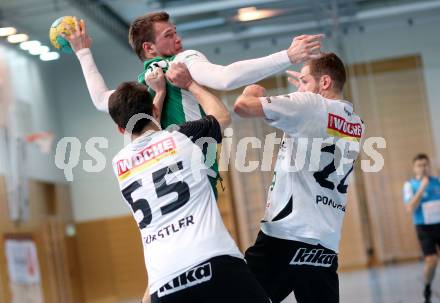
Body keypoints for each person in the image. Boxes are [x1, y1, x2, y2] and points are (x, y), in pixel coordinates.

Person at [63, 14, 323, 195]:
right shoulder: (182, 60)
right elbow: (226, 77)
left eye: (176, 32)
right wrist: (287, 56)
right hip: (195, 167)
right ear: (150, 48)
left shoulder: (142, 89)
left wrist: (83, 52)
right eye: (169, 35)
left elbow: (100, 99)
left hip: (166, 175)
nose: (178, 39)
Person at [109, 62, 270, 303]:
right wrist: (189, 84)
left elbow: (149, 136)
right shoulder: (183, 136)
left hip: (164, 282)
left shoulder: (119, 164)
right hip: (214, 260)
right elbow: (222, 117)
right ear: (154, 110)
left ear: (121, 128)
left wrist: (159, 95)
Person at [233, 53, 365, 303]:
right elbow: (316, 120)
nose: (300, 87)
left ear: (324, 82)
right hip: (325, 241)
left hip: (287, 233)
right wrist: (304, 92)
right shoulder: (356, 123)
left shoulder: (308, 105)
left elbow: (242, 106)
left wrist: (252, 90)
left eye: (304, 81)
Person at [403, 153, 440, 303]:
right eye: (420, 165)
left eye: (425, 164)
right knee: (432, 260)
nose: (423, 168)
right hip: (424, 228)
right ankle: (427, 287)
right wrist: (422, 187)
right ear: (414, 168)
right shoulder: (410, 185)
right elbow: (410, 208)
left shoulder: (437, 182)